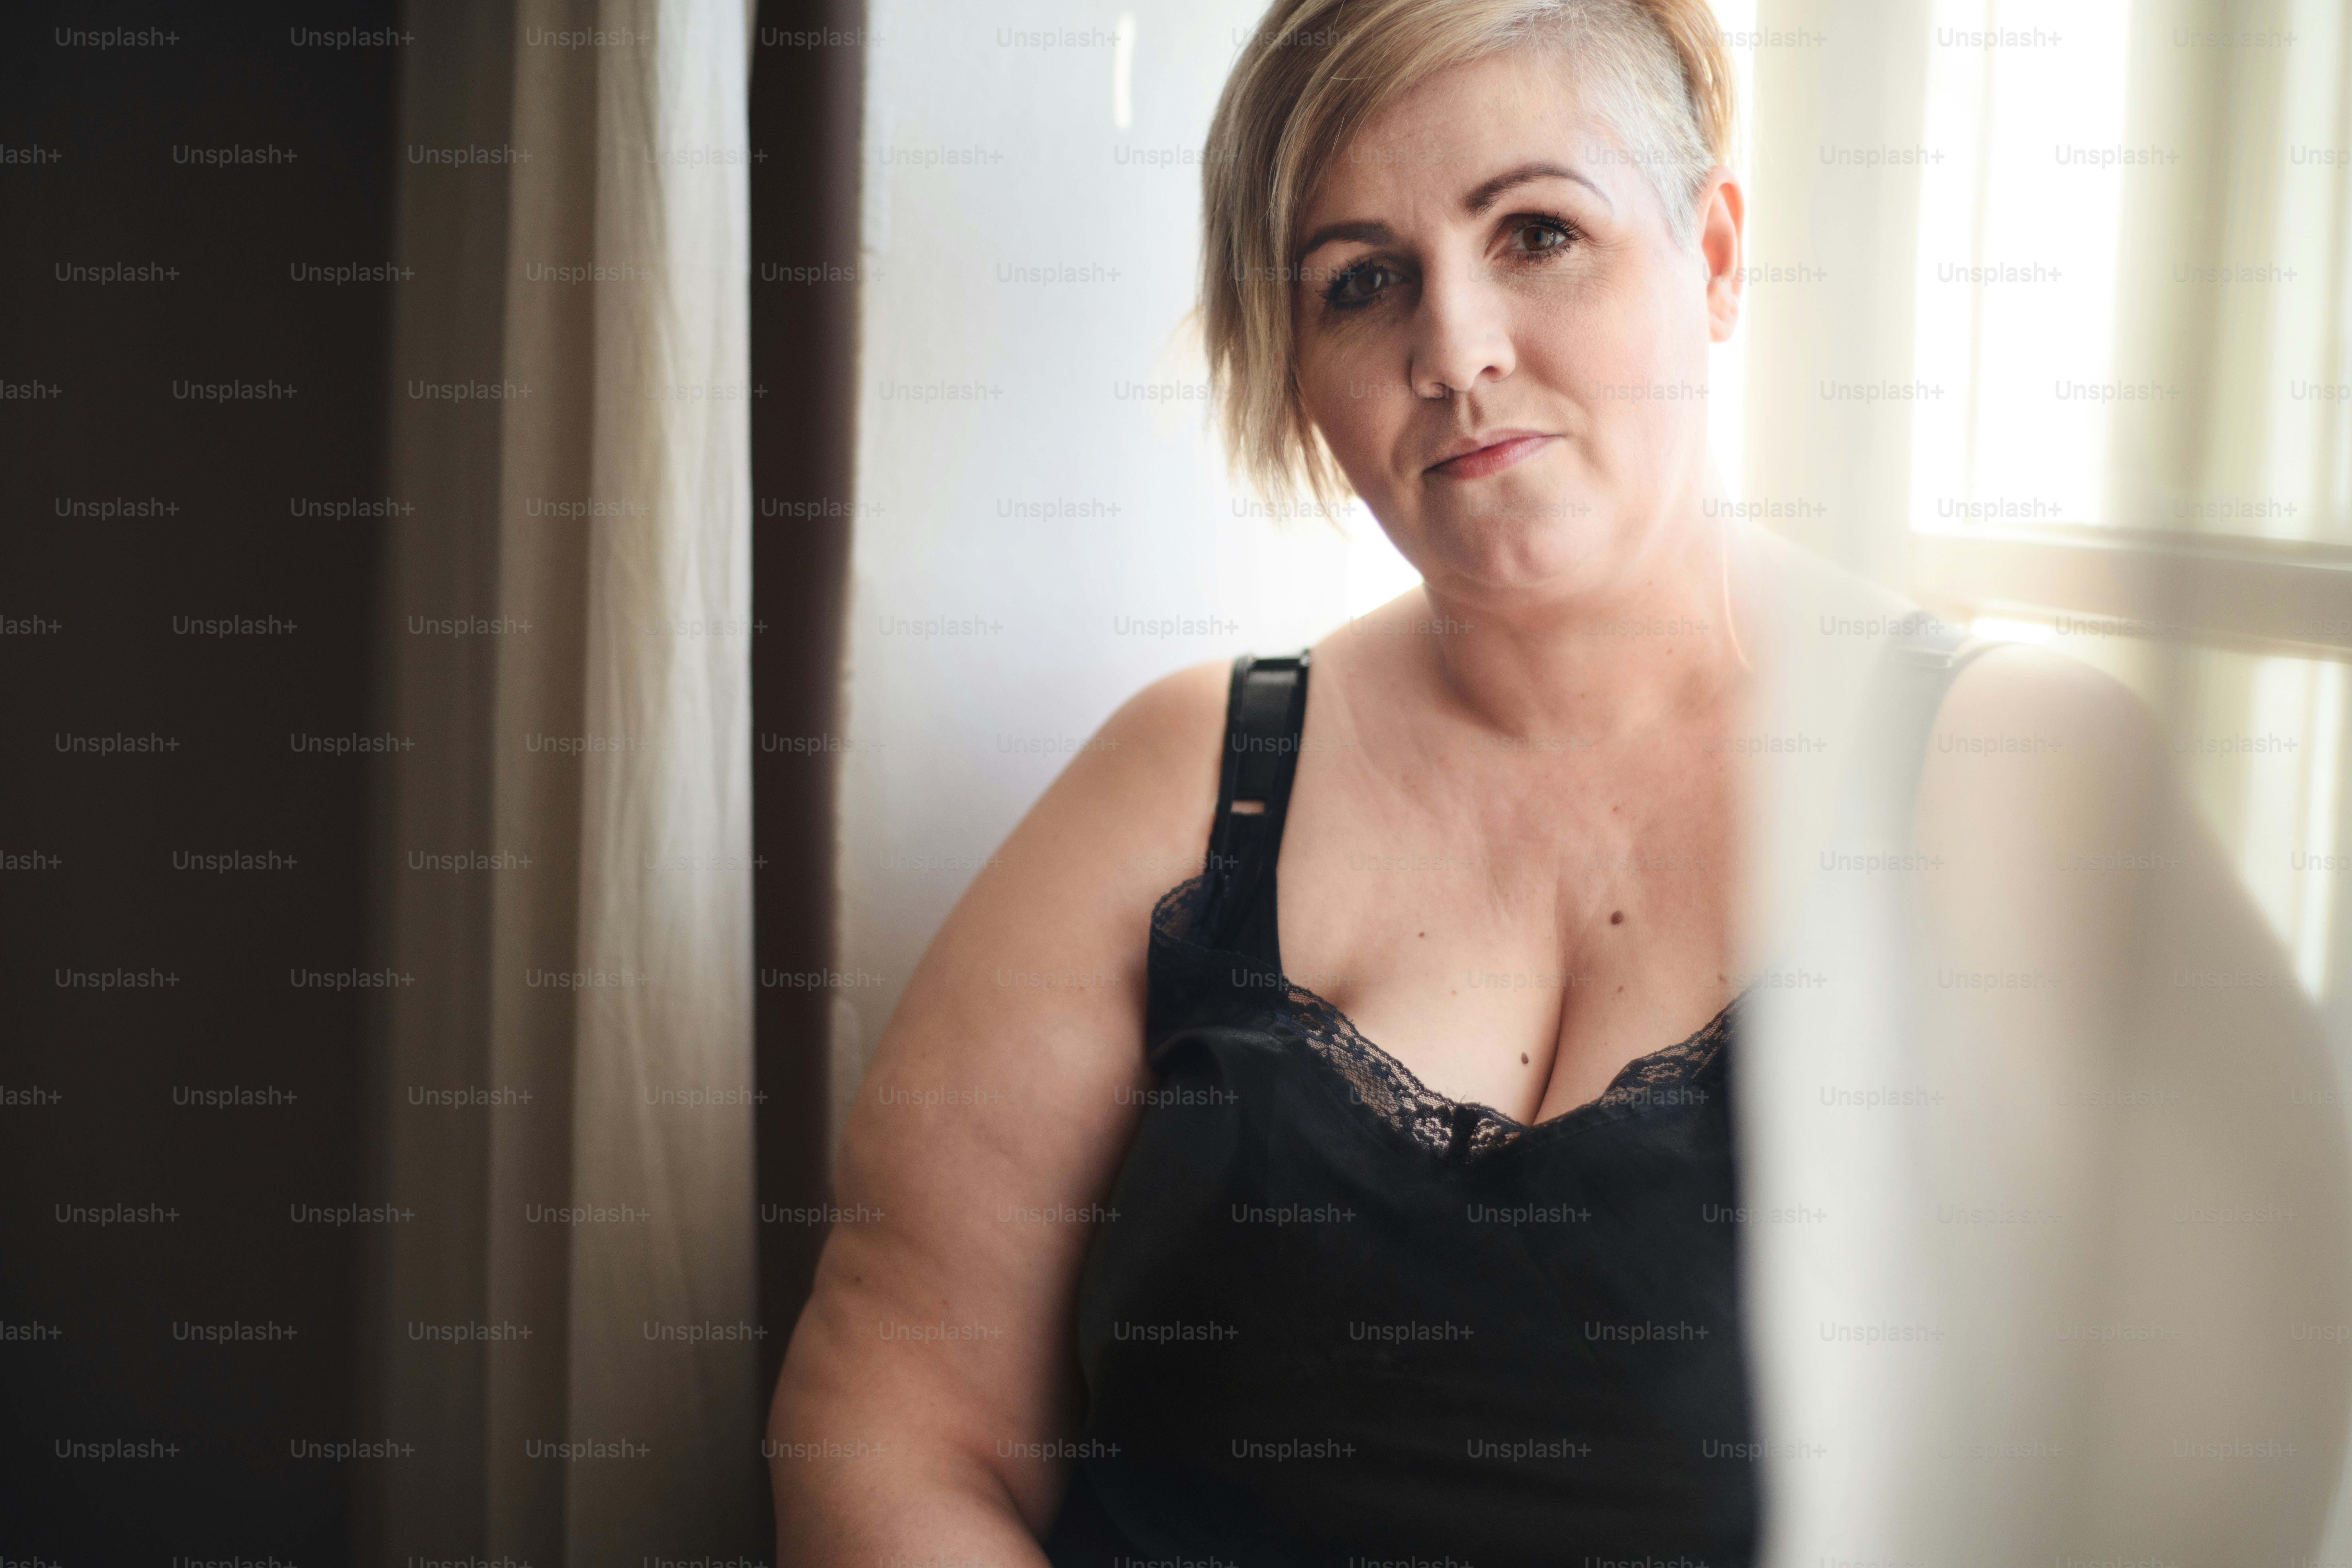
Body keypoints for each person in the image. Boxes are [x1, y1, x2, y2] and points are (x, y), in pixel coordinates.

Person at [771, 1, 2350, 1563]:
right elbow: (898, 1404)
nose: (1453, 349)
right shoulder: (1187, 779)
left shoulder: (2020, 772)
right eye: (1362, 281)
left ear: (1717, 258)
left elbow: (2247, 1426)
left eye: (1536, 234)